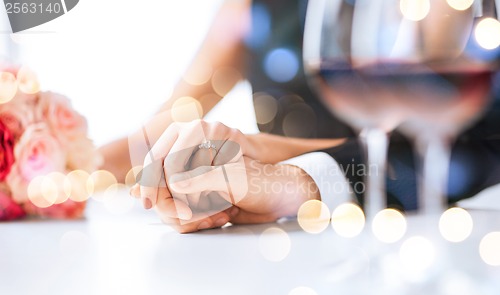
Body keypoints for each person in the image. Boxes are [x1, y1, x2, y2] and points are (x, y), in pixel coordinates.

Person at [102, 0, 500, 233]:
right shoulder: (249, 8)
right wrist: (69, 164)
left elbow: (459, 145)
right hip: (283, 245)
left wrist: (283, 173)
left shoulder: (435, 12)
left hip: (413, 238)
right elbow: (168, 125)